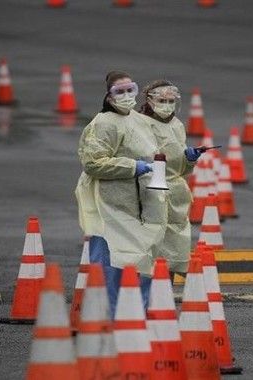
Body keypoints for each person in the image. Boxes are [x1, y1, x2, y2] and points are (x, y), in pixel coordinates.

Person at [75, 70, 166, 315]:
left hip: (139, 206)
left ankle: (136, 318)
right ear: (108, 96)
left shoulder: (138, 120)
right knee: (110, 265)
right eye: (119, 91)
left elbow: (156, 151)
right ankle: (109, 320)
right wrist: (132, 166)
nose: (126, 96)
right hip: (110, 206)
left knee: (140, 262)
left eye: (130, 90)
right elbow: (93, 163)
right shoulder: (103, 124)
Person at [138, 80, 201, 279]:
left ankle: (165, 293)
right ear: (149, 101)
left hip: (175, 192)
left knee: (175, 244)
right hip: (149, 188)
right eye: (162, 100)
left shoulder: (177, 125)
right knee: (151, 242)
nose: (166, 105)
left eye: (170, 100)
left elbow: (181, 168)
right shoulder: (140, 124)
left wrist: (190, 159)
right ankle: (144, 292)